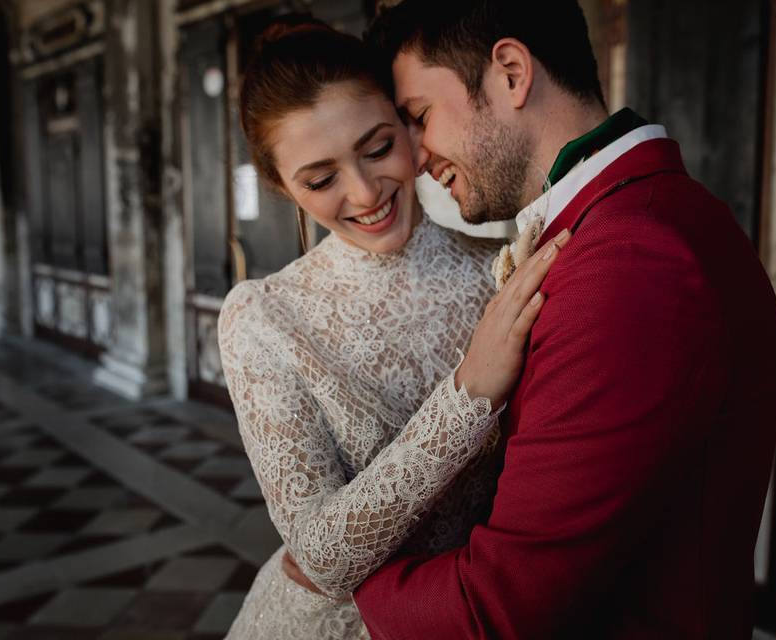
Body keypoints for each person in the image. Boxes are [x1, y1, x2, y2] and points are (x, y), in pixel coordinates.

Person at [333, 1, 776, 638]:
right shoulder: (636, 214)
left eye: (419, 117)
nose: (412, 157)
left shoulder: (630, 258)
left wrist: (345, 567)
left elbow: (502, 605)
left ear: (512, 72)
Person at [217, 17, 570, 639]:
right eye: (320, 180)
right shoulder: (264, 316)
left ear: (411, 129)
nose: (363, 192)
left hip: (475, 618)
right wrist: (470, 395)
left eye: (378, 148)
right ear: (282, 187)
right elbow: (321, 557)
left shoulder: (503, 271)